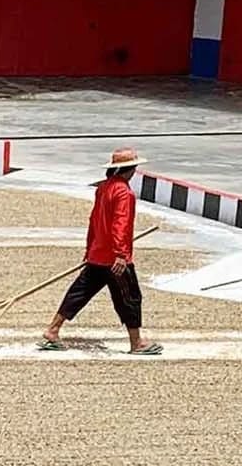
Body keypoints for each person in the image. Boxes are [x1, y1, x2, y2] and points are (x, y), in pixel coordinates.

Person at [40, 148, 161, 356]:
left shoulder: (104, 188)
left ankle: (53, 329)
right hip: (113, 258)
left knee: (79, 293)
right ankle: (137, 342)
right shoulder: (124, 192)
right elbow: (120, 225)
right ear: (130, 170)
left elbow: (94, 220)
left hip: (97, 254)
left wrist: (89, 249)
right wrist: (121, 254)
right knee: (130, 297)